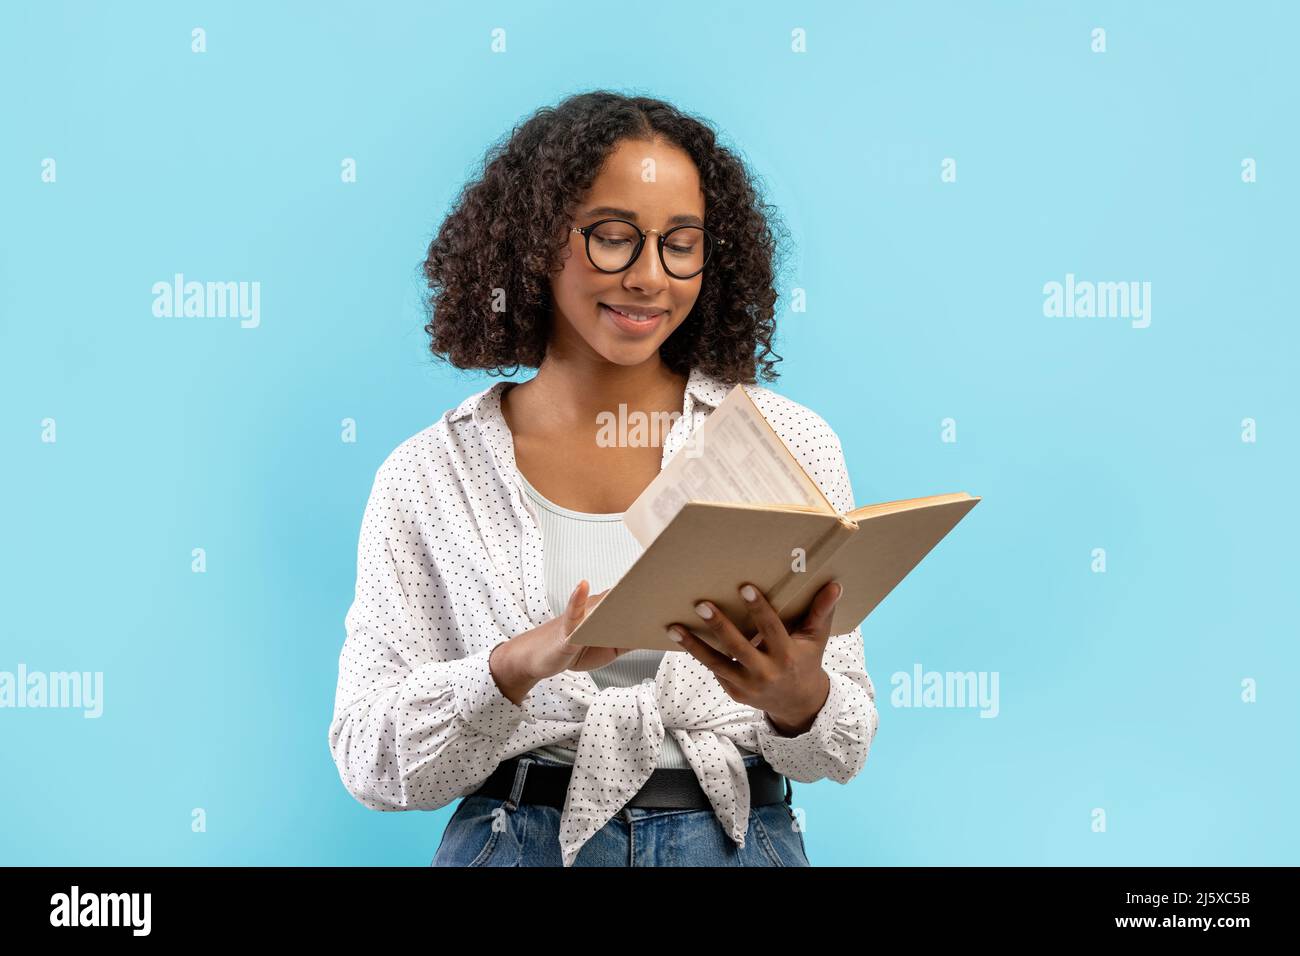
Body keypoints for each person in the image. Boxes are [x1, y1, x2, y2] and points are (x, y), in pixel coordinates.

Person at [328, 91, 880, 867]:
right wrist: (516, 665)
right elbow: (371, 762)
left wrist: (800, 703)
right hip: (519, 843)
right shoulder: (432, 474)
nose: (651, 277)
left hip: (736, 840)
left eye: (680, 244)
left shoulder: (787, 445)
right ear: (534, 244)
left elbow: (843, 746)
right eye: (614, 239)